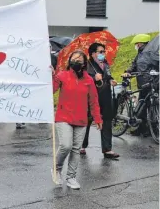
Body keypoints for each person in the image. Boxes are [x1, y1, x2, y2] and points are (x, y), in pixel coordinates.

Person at [51, 50, 102, 189]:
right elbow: (52, 90)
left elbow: (93, 101)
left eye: (80, 59)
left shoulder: (89, 80)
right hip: (63, 117)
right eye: (74, 58)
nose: (76, 61)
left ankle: (71, 177)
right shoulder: (62, 75)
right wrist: (51, 76)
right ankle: (57, 169)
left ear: (84, 63)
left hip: (81, 120)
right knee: (66, 145)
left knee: (76, 149)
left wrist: (98, 118)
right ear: (69, 61)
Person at [80, 43, 119, 158]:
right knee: (87, 120)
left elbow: (108, 75)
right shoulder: (87, 65)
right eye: (100, 52)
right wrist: (94, 78)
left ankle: (107, 149)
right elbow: (83, 80)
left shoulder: (105, 63)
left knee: (107, 120)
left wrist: (111, 80)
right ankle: (82, 145)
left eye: (103, 51)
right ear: (93, 53)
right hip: (91, 97)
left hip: (105, 96)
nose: (103, 54)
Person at [122, 34, 152, 136]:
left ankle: (147, 129)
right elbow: (134, 65)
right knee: (143, 107)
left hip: (147, 83)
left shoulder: (148, 53)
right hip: (146, 83)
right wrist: (128, 71)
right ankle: (144, 129)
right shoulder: (140, 53)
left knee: (146, 106)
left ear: (140, 43)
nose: (136, 46)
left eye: (136, 44)